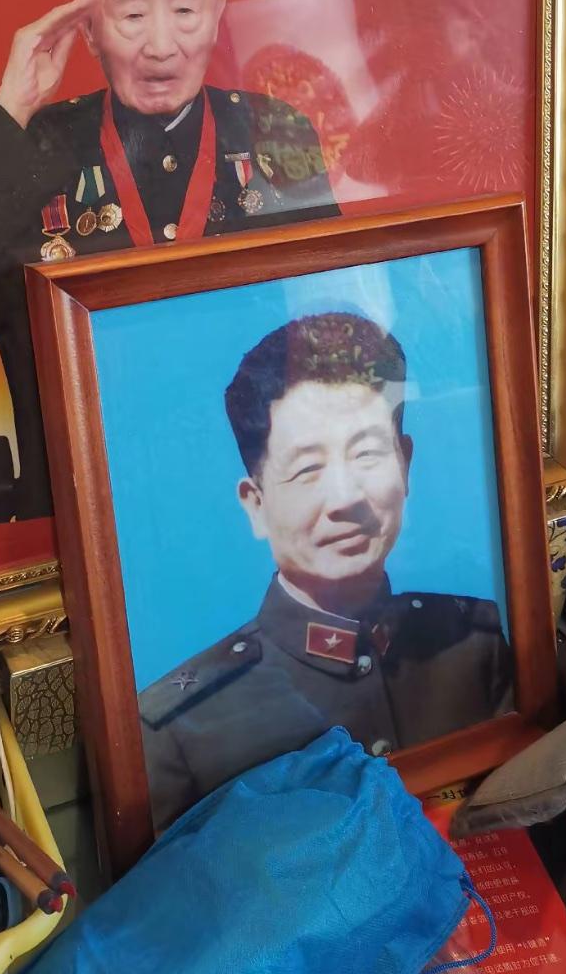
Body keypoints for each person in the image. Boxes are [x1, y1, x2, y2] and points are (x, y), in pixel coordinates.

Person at [0, 0, 338, 522]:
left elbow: (327, 316)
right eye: (132, 15)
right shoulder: (35, 147)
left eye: (184, 11)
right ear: (88, 29)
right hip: (86, 502)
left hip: (251, 496)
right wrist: (11, 108)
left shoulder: (274, 133)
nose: (161, 46)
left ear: (216, 14)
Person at [138, 311, 513, 830]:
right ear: (255, 504)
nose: (344, 499)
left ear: (405, 464)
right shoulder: (180, 729)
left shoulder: (472, 644)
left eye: (367, 453)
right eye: (308, 469)